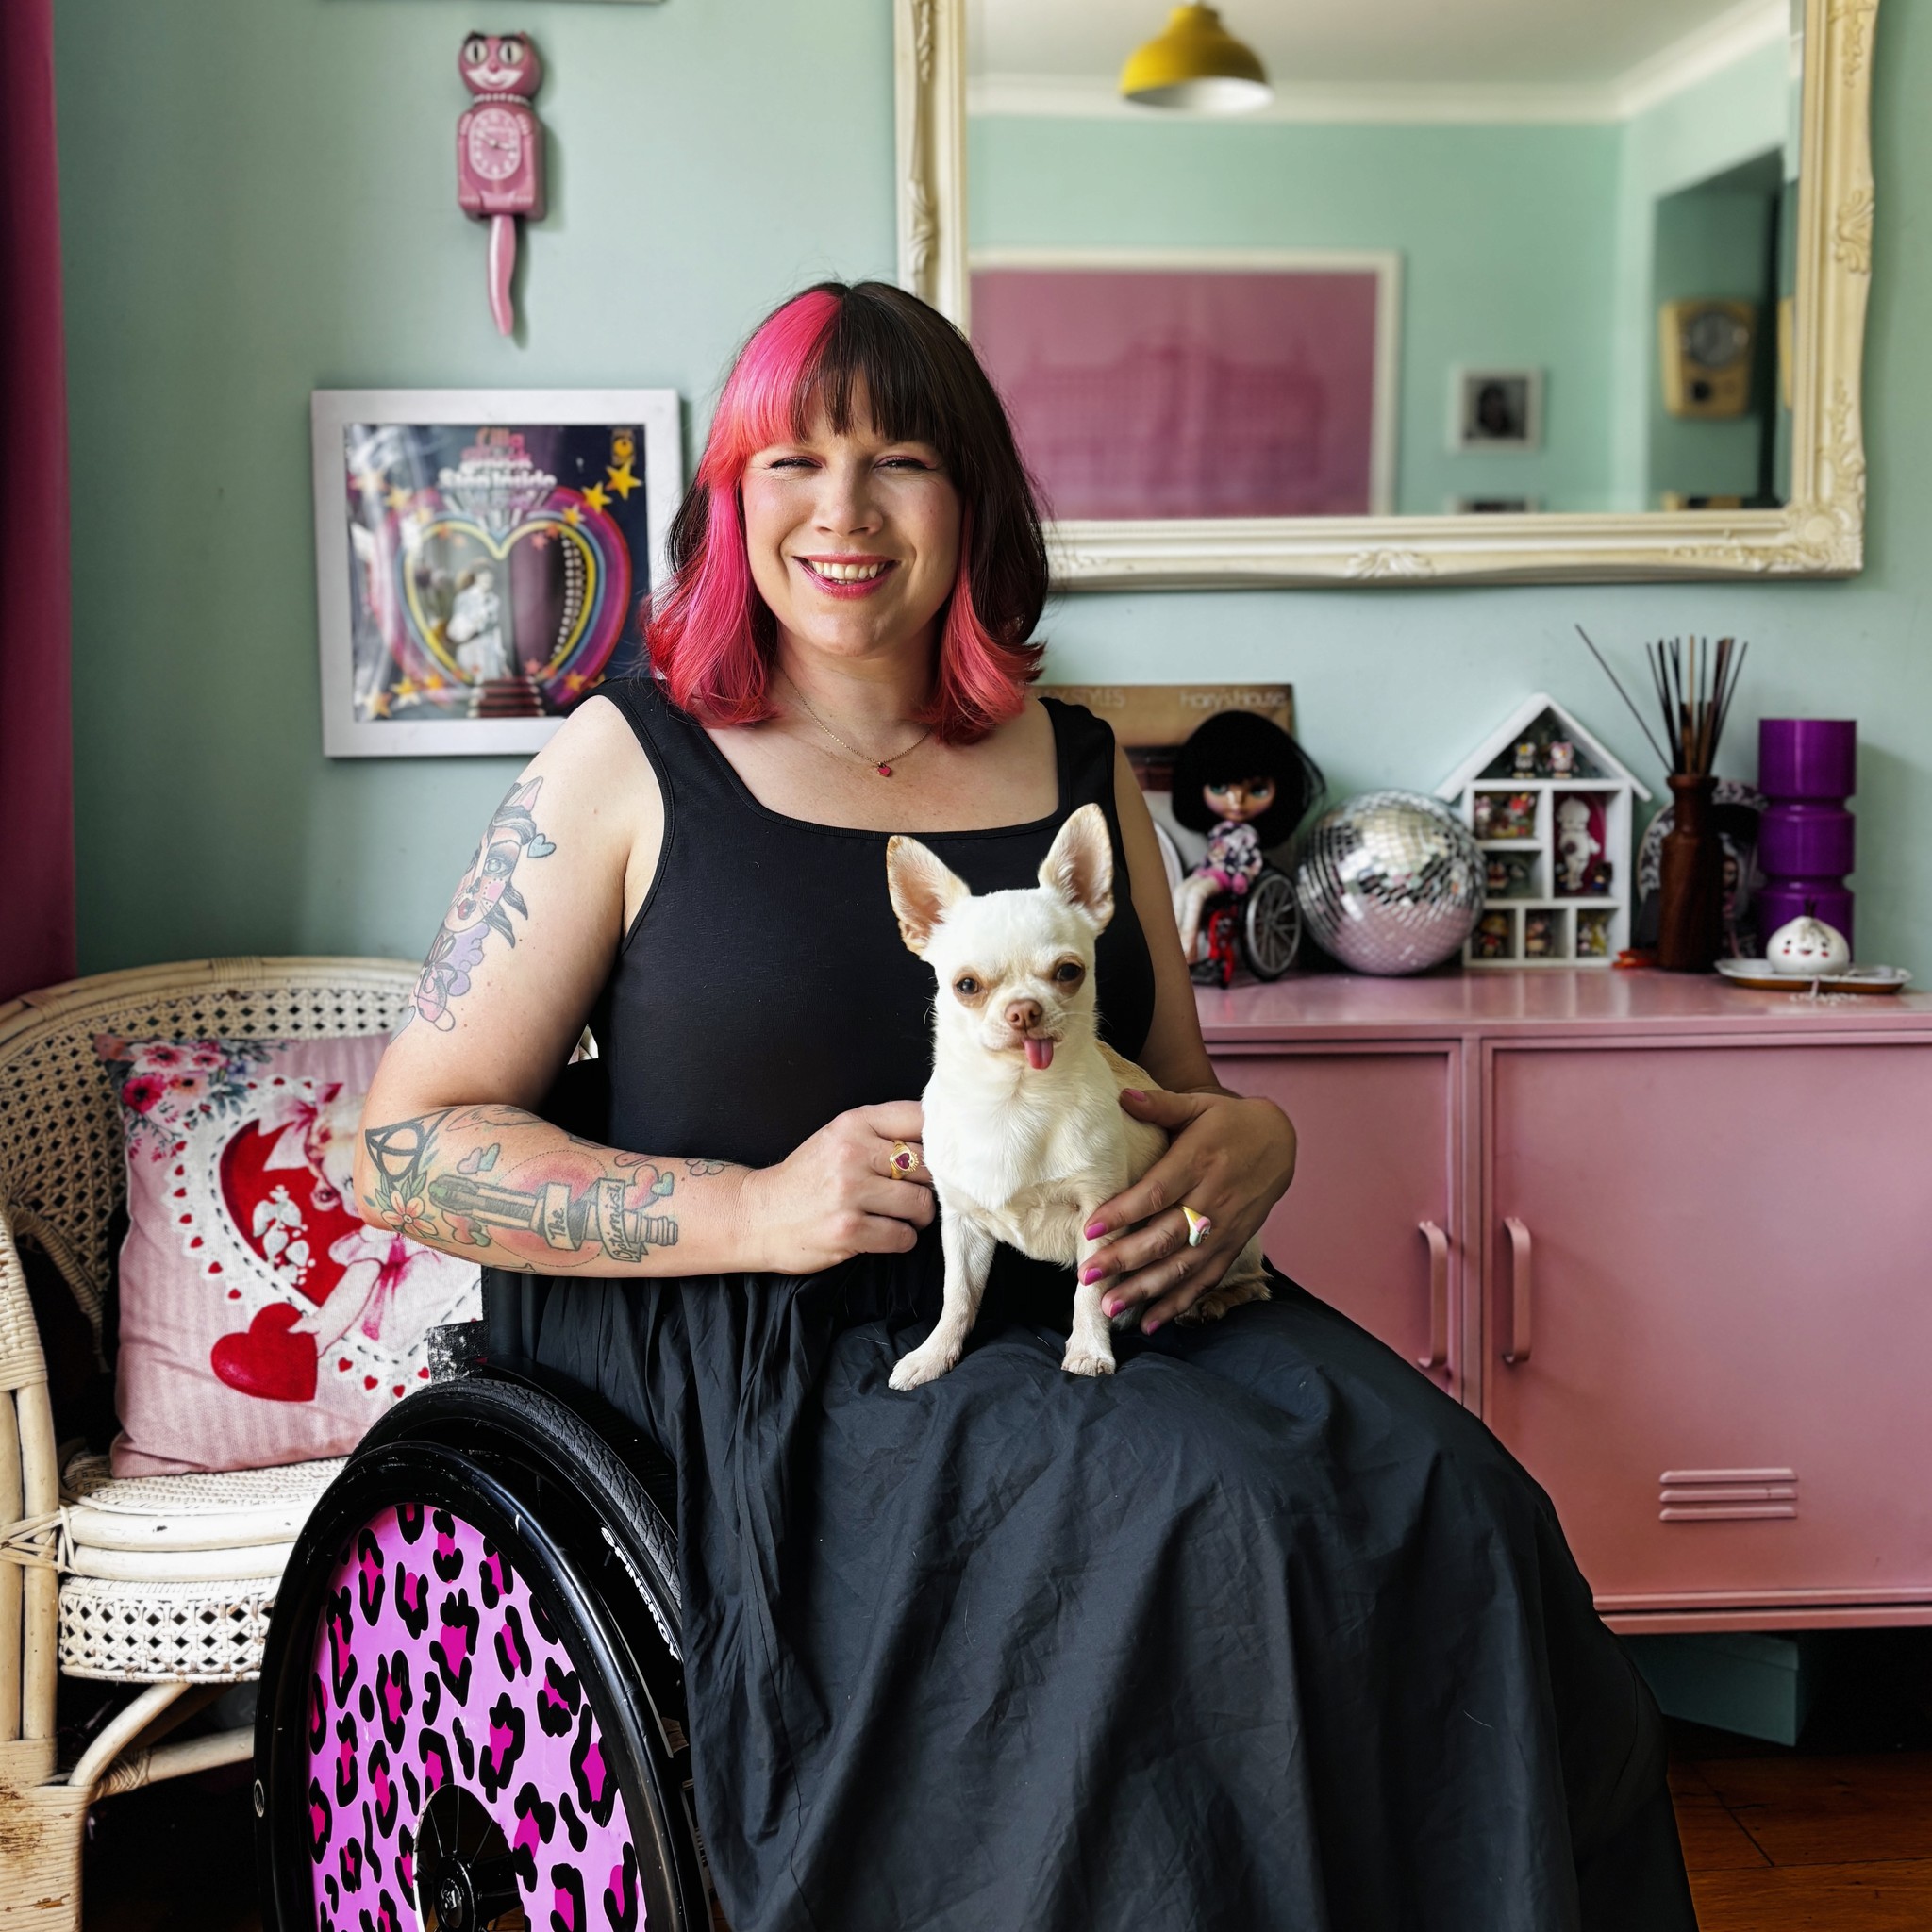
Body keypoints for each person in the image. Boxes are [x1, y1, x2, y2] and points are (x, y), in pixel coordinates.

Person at [356, 280, 1696, 1931]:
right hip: (755, 1340)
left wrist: (1255, 1152)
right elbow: (403, 1144)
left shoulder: (1075, 769)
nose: (841, 512)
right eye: (792, 461)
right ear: (732, 498)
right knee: (1214, 1523)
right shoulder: (622, 763)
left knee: (1456, 1500)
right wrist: (760, 1208)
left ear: (971, 501)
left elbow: (1184, 1099)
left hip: (1085, 1287)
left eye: (900, 459)